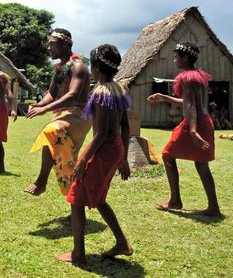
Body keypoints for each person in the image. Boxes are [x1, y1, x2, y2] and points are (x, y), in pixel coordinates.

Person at [56, 44, 133, 263]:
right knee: (99, 199)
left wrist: (83, 161)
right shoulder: (119, 90)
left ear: (97, 67)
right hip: (115, 148)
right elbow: (125, 127)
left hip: (102, 150)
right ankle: (121, 243)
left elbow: (99, 135)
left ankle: (78, 253)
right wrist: (124, 158)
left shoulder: (100, 93)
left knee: (76, 199)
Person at [24, 28, 92, 221]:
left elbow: (73, 94)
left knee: (51, 132)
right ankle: (76, 211)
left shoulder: (78, 66)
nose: (48, 47)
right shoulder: (59, 69)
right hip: (63, 115)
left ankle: (41, 181)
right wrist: (39, 104)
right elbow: (51, 94)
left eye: (52, 43)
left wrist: (45, 110)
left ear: (66, 43)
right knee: (67, 162)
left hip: (77, 115)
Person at [147, 41, 221, 217]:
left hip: (194, 123)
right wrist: (164, 97)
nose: (174, 61)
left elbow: (191, 106)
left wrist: (193, 130)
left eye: (176, 57)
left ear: (185, 58)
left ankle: (175, 201)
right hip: (204, 121)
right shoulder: (197, 75)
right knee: (201, 165)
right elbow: (189, 102)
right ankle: (213, 207)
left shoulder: (186, 77)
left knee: (167, 155)